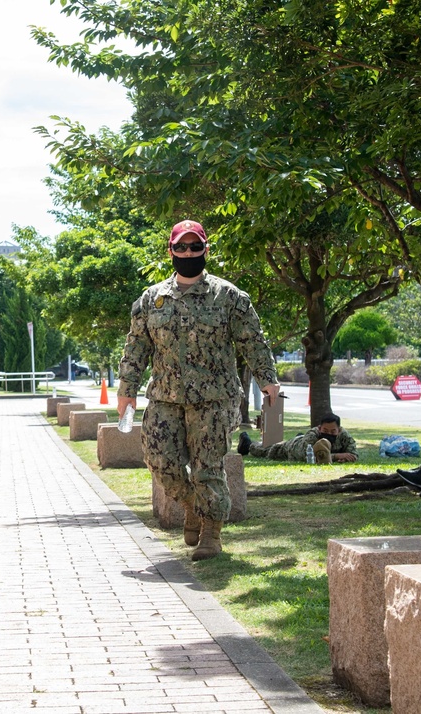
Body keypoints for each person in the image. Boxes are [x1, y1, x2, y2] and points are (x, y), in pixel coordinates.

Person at [116, 219, 280, 561]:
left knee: (208, 467)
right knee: (159, 461)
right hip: (165, 396)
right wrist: (126, 389)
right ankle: (193, 505)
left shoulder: (230, 296)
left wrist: (268, 380)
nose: (188, 252)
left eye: (194, 246)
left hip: (214, 398)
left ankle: (211, 534)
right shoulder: (152, 299)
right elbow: (136, 346)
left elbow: (253, 341)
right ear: (171, 251)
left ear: (206, 249)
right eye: (181, 247)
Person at [237, 413, 358, 464]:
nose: (329, 434)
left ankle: (299, 436)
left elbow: (352, 453)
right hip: (292, 448)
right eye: (325, 431)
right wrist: (337, 456)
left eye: (333, 431)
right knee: (265, 451)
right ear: (319, 428)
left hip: (301, 441)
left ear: (339, 430)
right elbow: (309, 457)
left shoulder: (344, 436)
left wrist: (346, 458)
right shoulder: (312, 434)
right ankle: (247, 443)